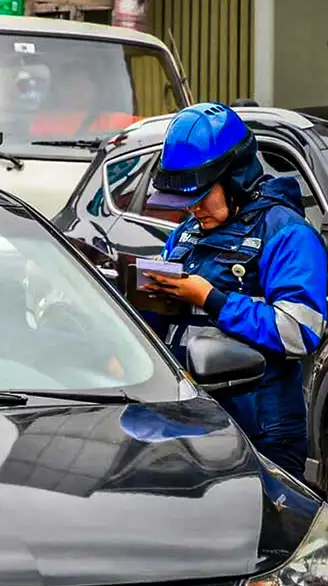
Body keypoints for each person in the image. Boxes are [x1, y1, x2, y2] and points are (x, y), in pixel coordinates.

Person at [138, 101, 327, 482]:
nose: (192, 209)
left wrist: (210, 298)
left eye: (201, 196)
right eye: (185, 201)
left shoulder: (287, 233)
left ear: (236, 178)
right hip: (192, 420)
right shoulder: (187, 233)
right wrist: (143, 301)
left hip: (261, 433)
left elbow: (300, 331)